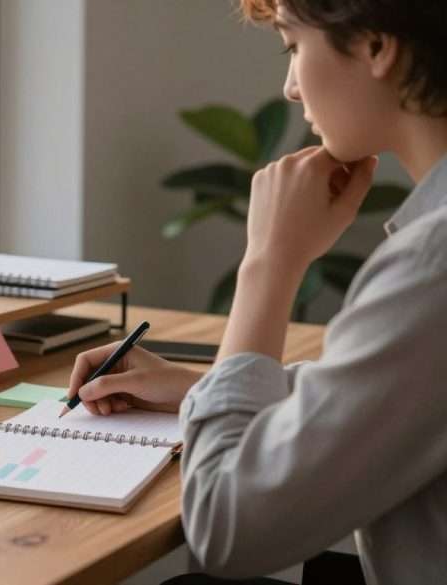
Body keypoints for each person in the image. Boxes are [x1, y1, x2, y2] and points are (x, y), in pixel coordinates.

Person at [65, 1, 447, 583]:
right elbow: (413, 395)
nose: (291, 87)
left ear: (376, 45)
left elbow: (226, 530)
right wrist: (200, 387)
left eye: (293, 45)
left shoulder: (432, 264)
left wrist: (269, 261)